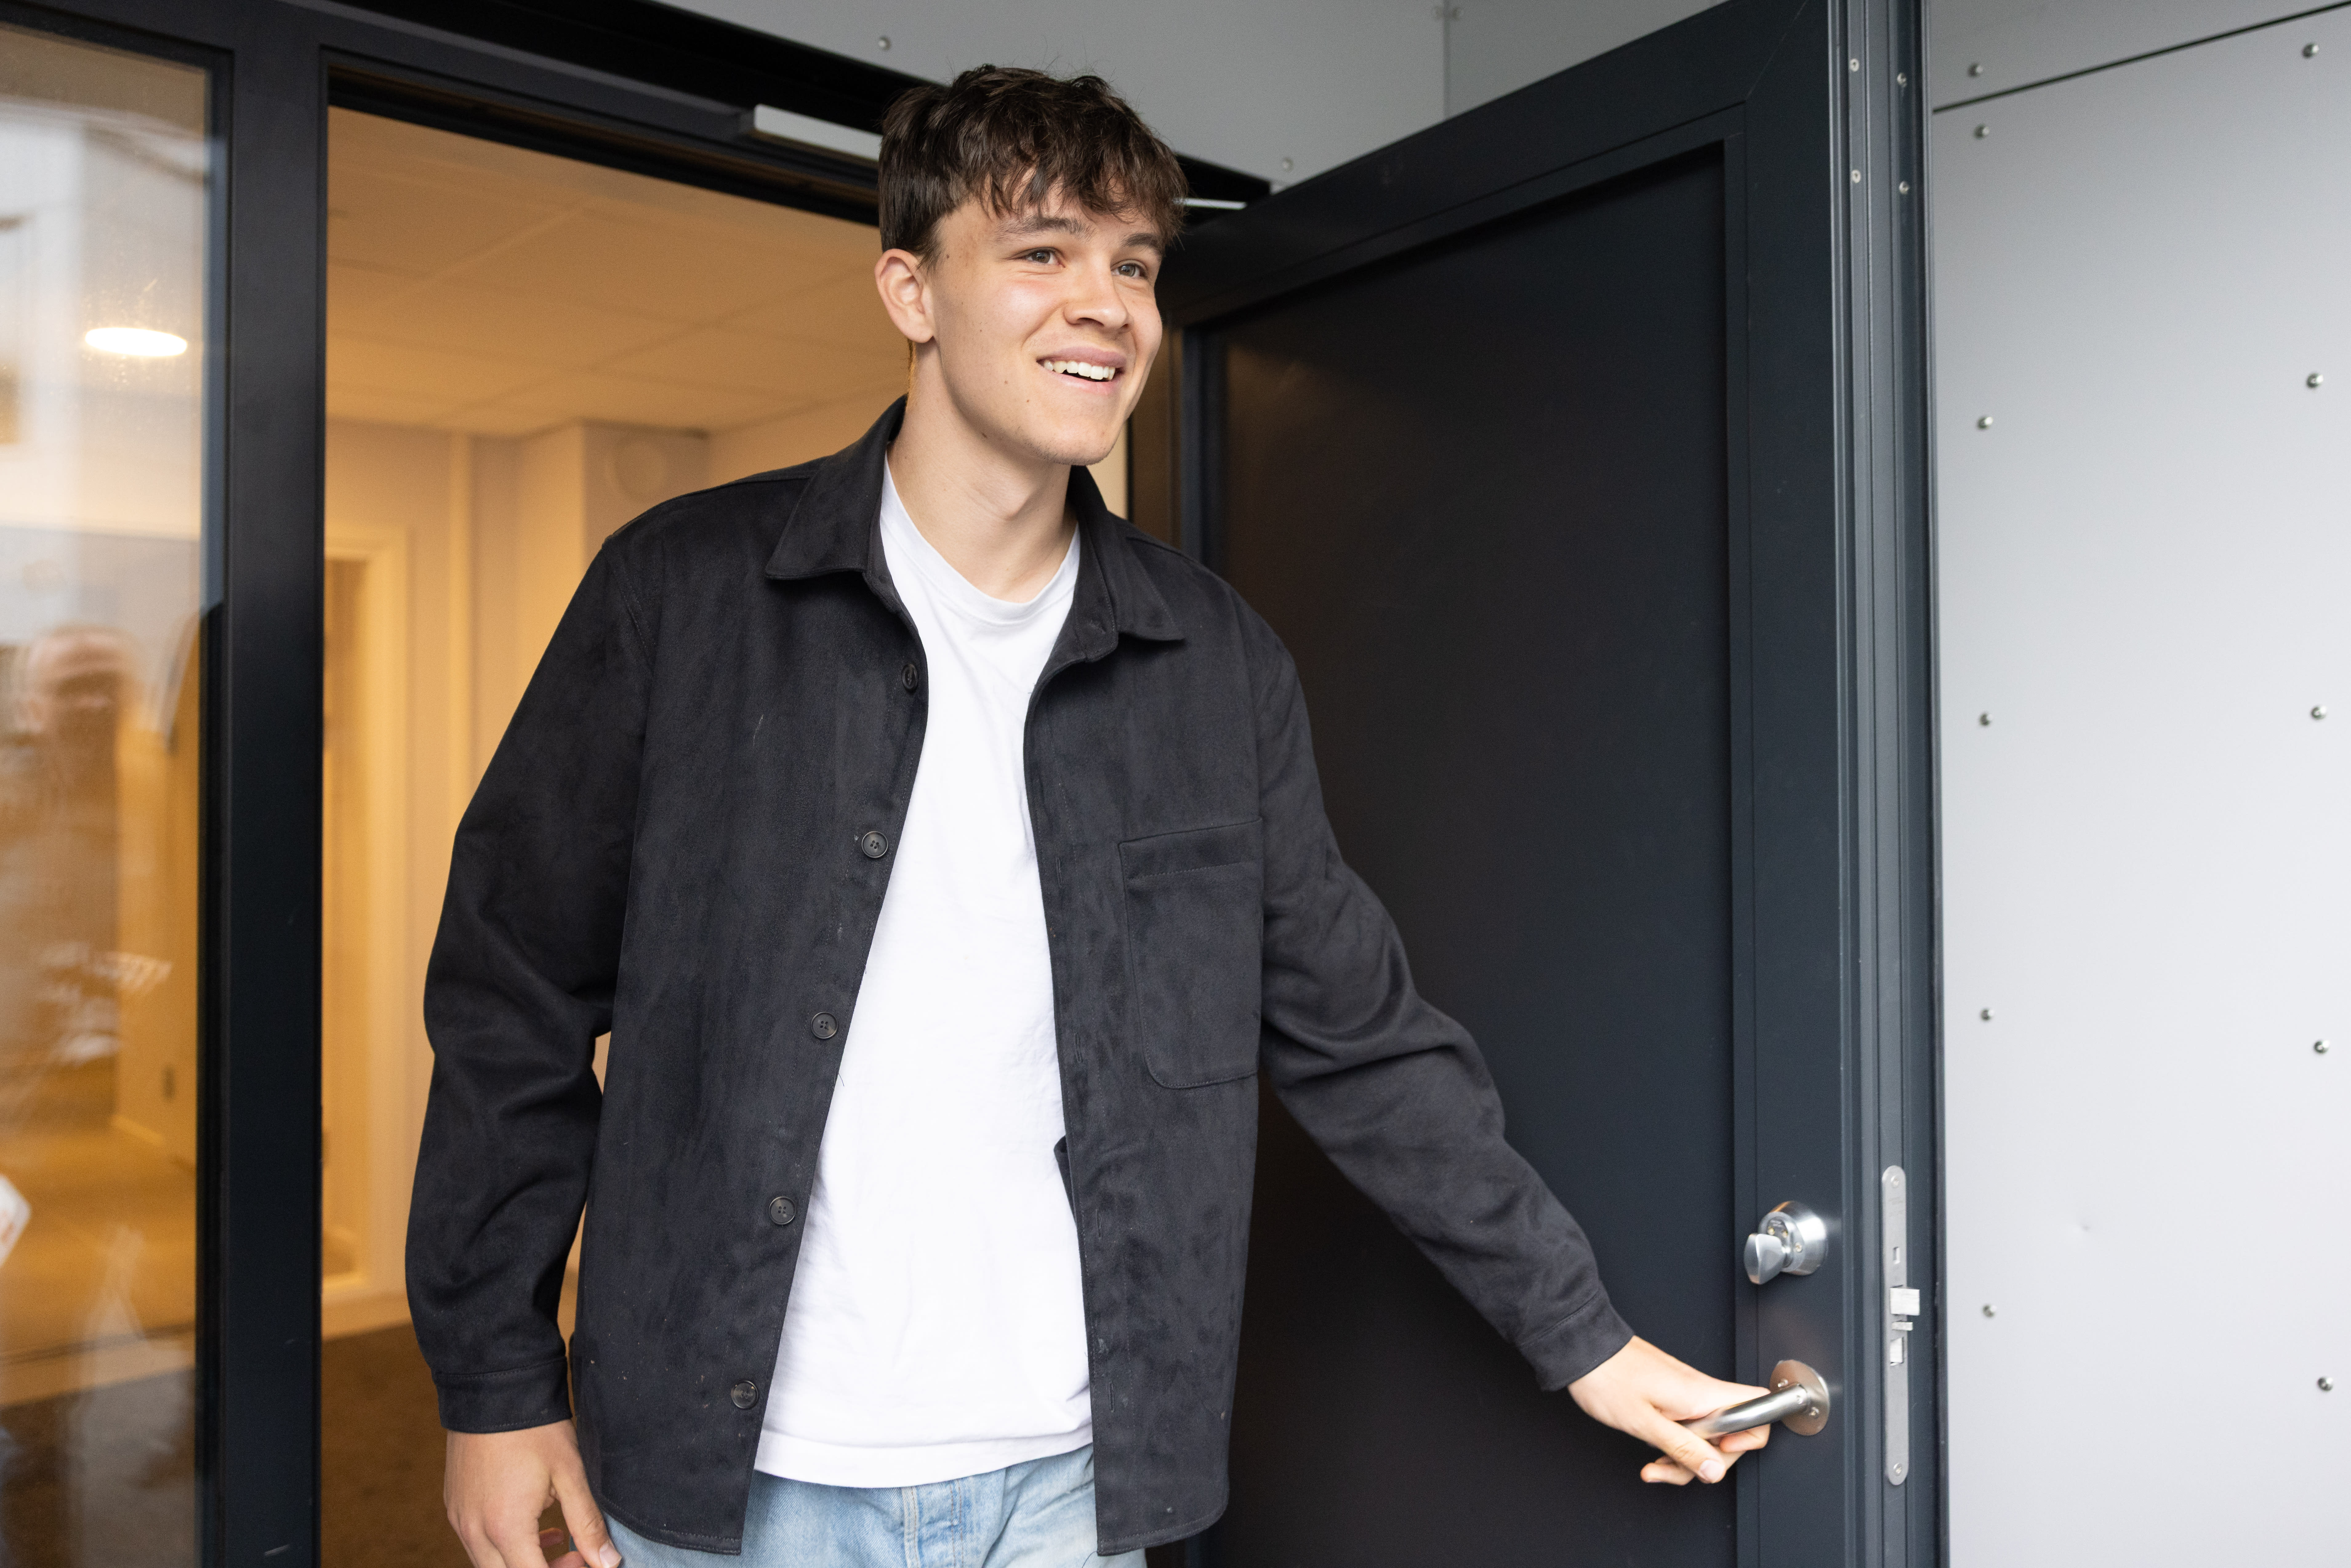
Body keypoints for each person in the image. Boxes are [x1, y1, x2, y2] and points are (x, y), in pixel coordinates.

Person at [414, 65, 1768, 1568]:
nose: (1106, 306)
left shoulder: (1214, 660)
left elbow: (1360, 1035)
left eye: (1132, 264)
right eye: (1042, 251)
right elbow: (512, 994)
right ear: (911, 290)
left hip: (1070, 1479)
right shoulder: (682, 593)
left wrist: (1580, 1332)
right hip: (738, 1477)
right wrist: (494, 1382)